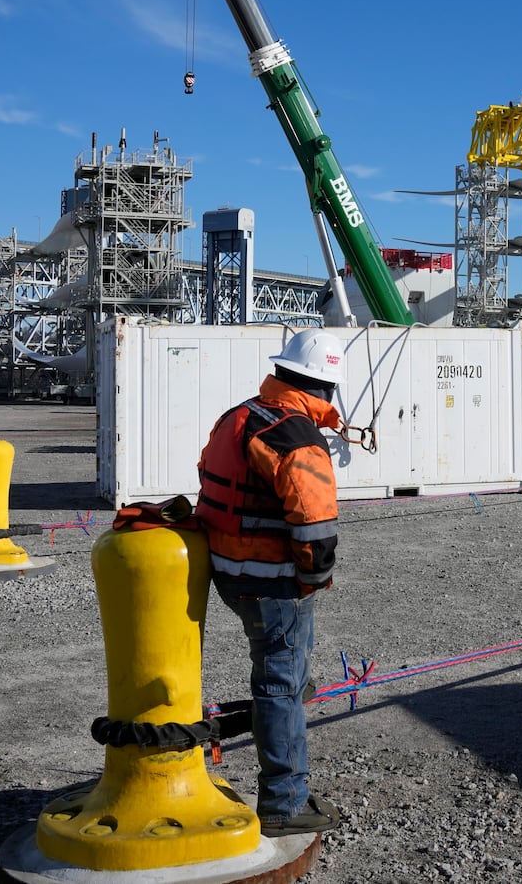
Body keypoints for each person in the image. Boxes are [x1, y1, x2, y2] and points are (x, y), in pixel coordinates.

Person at [195, 329, 347, 836]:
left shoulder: (237, 416)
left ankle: (285, 763)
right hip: (275, 583)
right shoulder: (296, 436)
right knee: (280, 684)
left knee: (283, 676)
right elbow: (315, 528)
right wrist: (313, 580)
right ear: (324, 386)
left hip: (230, 574)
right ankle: (283, 803)